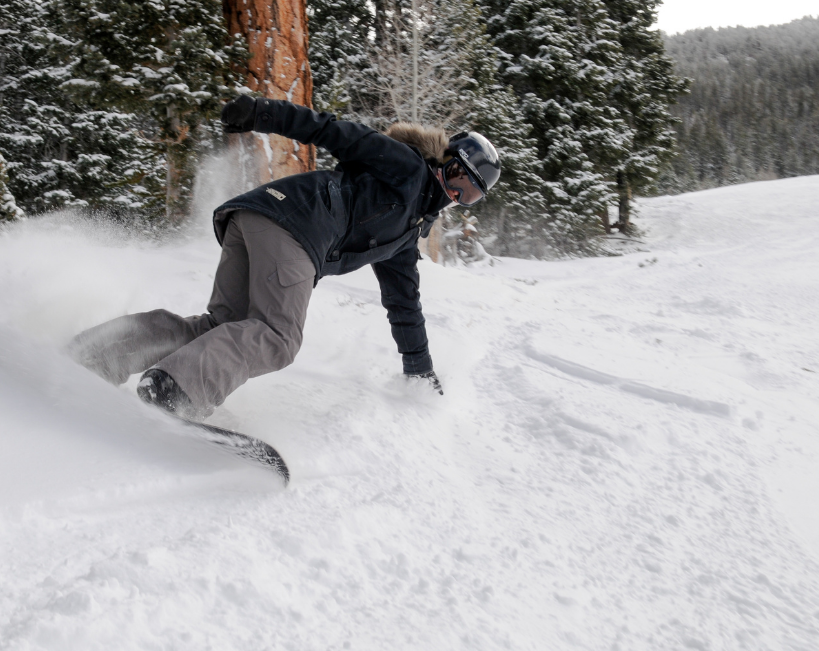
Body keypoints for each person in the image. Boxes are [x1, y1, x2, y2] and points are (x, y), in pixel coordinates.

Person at [66, 95, 501, 420]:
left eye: (470, 194)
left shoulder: (405, 237)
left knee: (220, 329)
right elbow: (331, 130)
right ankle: (173, 389)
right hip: (293, 226)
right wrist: (259, 114)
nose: (456, 192)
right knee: (278, 336)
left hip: (255, 219)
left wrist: (420, 372)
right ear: (446, 158)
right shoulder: (405, 164)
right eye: (458, 176)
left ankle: (98, 353)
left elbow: (405, 306)